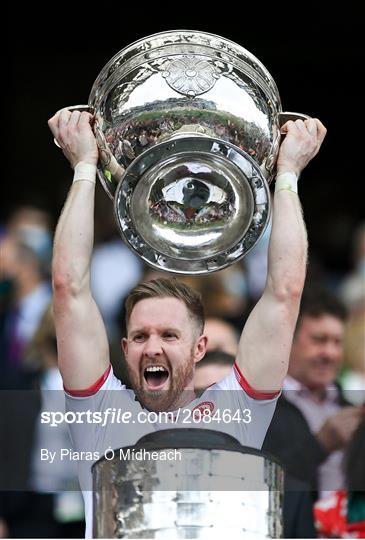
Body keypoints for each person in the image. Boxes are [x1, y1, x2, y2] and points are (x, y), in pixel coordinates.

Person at [48, 108, 326, 537]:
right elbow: (69, 288)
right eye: (140, 336)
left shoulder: (238, 410)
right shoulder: (100, 414)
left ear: (200, 347)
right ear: (124, 350)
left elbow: (284, 294)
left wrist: (287, 174)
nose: (152, 346)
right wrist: (84, 167)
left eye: (169, 335)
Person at [263, 284, 365, 497]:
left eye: (337, 342)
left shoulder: (350, 408)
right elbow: (261, 483)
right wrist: (320, 444)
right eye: (319, 340)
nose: (330, 353)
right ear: (287, 340)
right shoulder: (261, 408)